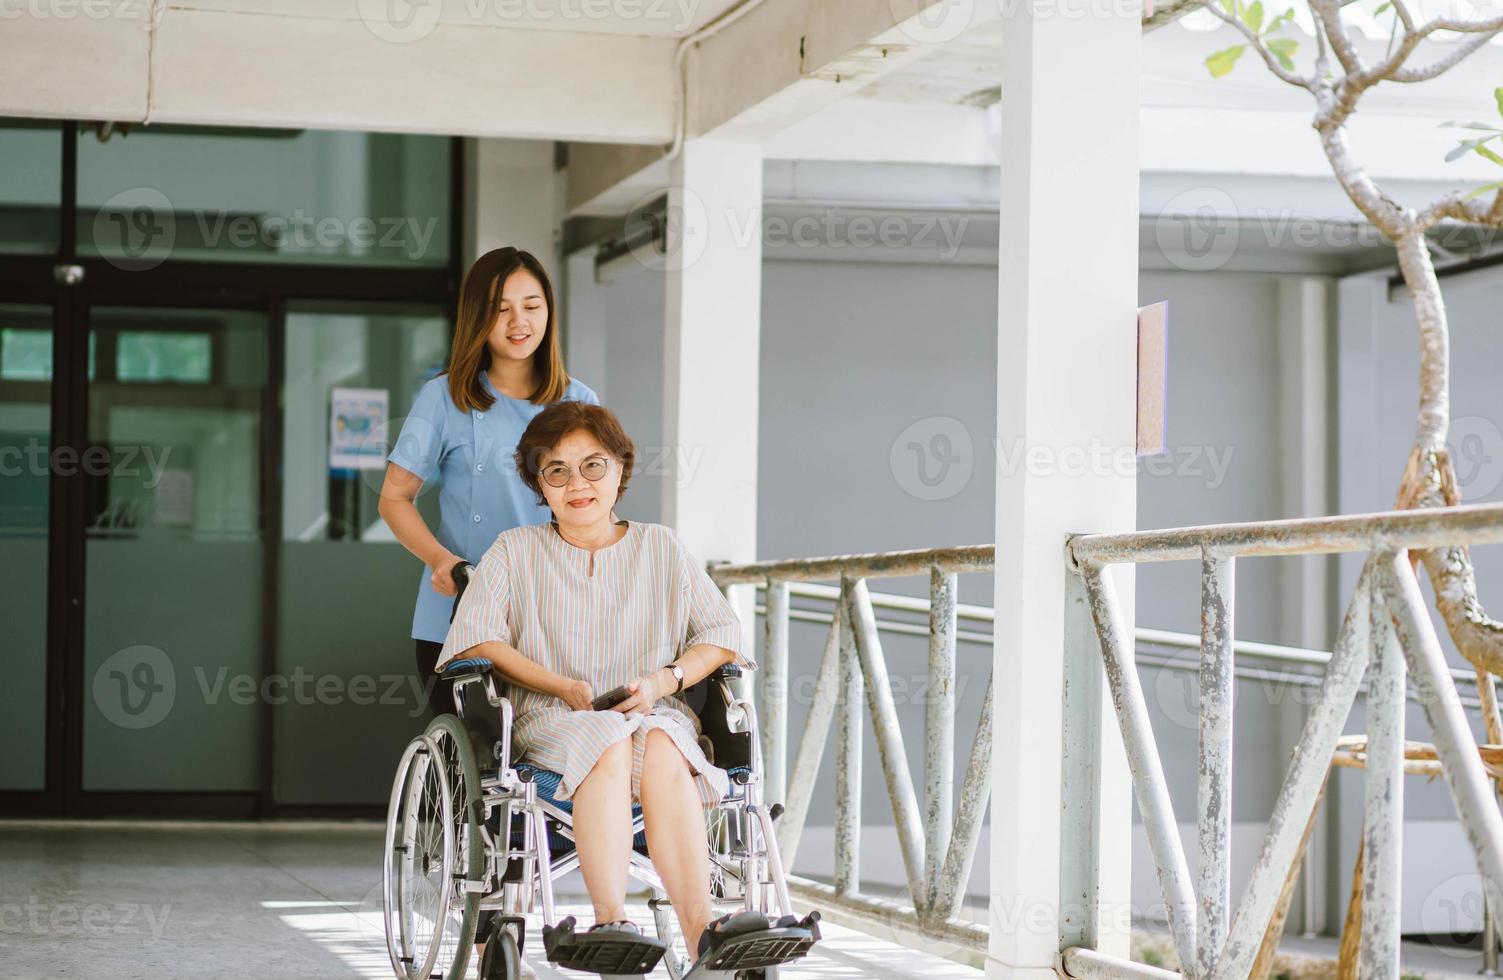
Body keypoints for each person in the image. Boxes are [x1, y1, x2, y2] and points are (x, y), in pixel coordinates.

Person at [437, 400, 754, 964]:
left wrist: (664, 680)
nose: (575, 483)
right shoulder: (515, 551)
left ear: (620, 470)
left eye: (592, 465)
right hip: (554, 721)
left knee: (660, 743)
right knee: (605, 739)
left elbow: (722, 634)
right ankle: (612, 926)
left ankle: (702, 930)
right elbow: (479, 639)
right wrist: (558, 685)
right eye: (555, 470)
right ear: (539, 483)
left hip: (652, 714)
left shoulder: (662, 547)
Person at [379, 246, 599, 718]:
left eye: (531, 307)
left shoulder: (579, 401)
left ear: (549, 313)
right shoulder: (442, 398)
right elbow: (395, 498)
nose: (518, 322)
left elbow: (596, 511)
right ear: (478, 317)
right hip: (460, 615)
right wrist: (440, 560)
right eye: (501, 310)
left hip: (555, 617)